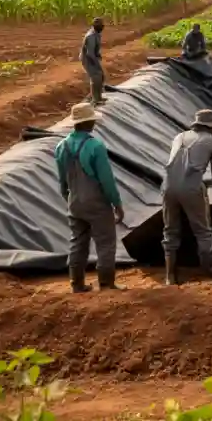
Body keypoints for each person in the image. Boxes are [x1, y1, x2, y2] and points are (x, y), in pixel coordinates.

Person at [55, 103, 125, 293]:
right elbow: (106, 180)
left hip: (74, 202)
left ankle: (76, 284)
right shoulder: (95, 146)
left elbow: (62, 181)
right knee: (106, 242)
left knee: (77, 243)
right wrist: (117, 204)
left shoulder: (61, 147)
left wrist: (69, 199)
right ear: (88, 122)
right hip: (96, 203)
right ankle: (106, 283)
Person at [161, 109, 212, 285]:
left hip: (167, 187)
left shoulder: (179, 137)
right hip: (191, 188)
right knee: (203, 231)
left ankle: (169, 276)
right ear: (211, 127)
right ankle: (209, 270)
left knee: (170, 231)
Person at [80, 17, 106, 105]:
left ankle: (99, 97)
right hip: (87, 58)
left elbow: (95, 49)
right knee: (95, 77)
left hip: (92, 57)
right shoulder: (91, 36)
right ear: (94, 26)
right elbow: (90, 53)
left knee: (100, 76)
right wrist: (96, 63)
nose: (102, 27)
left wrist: (98, 55)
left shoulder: (96, 34)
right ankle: (95, 99)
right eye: (100, 25)